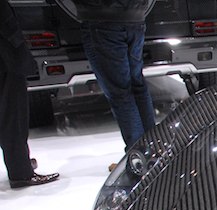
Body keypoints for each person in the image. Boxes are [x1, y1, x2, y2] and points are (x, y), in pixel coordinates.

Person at [69, 0, 157, 151]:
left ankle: (139, 154)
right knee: (137, 86)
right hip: (136, 17)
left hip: (102, 19)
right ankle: (154, 149)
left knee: (121, 92)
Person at [0, 0, 60, 189]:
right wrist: (20, 48)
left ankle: (19, 164)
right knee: (13, 114)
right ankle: (21, 172)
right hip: (5, 55)